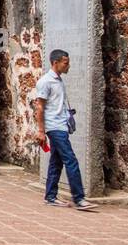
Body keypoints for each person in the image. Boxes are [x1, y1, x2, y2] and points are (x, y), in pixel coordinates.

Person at [34, 49, 96, 211]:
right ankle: (79, 198)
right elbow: (40, 107)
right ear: (56, 63)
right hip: (54, 127)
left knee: (57, 161)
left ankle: (50, 196)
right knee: (71, 160)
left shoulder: (58, 80)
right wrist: (41, 131)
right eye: (65, 63)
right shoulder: (46, 82)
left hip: (61, 125)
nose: (68, 66)